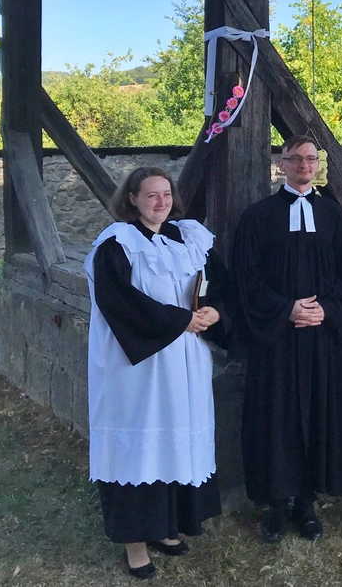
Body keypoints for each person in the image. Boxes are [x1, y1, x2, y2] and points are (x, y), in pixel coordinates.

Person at [85, 166, 229, 579]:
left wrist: (216, 310)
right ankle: (135, 543)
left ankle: (165, 527)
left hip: (185, 361)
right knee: (141, 444)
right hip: (139, 365)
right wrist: (178, 322)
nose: (161, 202)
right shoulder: (117, 243)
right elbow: (120, 303)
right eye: (151, 195)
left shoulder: (190, 236)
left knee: (173, 440)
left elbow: (220, 283)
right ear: (131, 198)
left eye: (166, 194)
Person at [233, 135, 342, 543]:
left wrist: (326, 309)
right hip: (276, 339)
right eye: (297, 159)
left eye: (312, 159)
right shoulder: (258, 217)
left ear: (318, 166)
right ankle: (275, 505)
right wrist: (286, 309)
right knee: (276, 418)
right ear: (281, 164)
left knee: (317, 415)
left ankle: (306, 503)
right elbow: (245, 279)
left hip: (323, 337)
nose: (305, 165)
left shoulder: (334, 217)